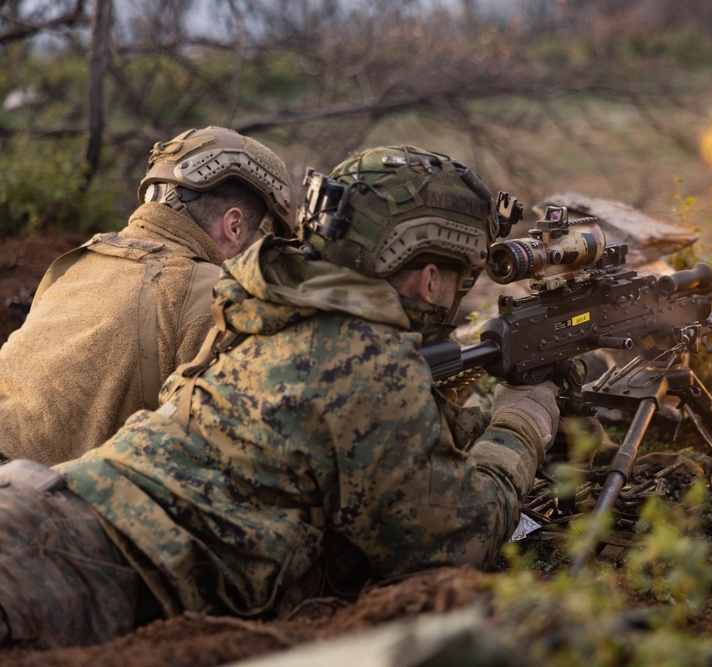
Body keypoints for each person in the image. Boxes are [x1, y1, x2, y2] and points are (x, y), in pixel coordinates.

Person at [0, 145, 560, 650]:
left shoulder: (255, 306)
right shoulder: (361, 357)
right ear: (430, 276)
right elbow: (457, 540)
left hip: (44, 508)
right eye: (460, 278)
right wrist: (521, 421)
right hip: (75, 565)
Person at [0, 126, 295, 465]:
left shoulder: (75, 262)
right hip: (39, 505)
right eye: (266, 244)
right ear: (234, 227)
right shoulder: (215, 295)